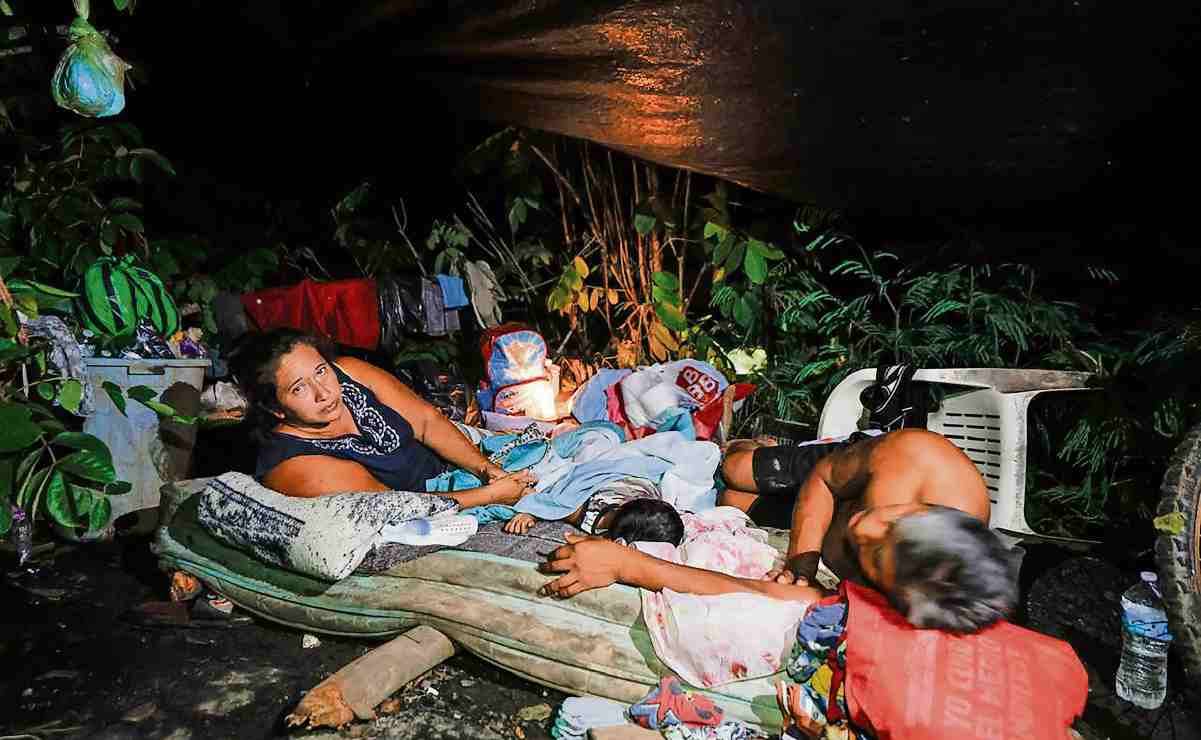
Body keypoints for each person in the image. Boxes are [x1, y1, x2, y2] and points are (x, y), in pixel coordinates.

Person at [541, 429, 1020, 633]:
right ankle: (770, 445)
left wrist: (628, 563)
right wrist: (803, 560)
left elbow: (746, 592)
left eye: (876, 554)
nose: (866, 524)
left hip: (845, 516)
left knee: (732, 506)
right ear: (930, 508)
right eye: (897, 517)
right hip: (838, 470)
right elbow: (827, 480)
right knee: (734, 469)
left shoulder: (905, 604)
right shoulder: (917, 455)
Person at [229, 328, 535, 509]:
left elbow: (427, 422)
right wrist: (491, 495)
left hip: (463, 468)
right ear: (275, 409)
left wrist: (487, 469)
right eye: (299, 388)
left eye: (321, 371)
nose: (323, 392)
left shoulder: (349, 371)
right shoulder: (294, 464)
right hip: (433, 504)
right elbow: (394, 506)